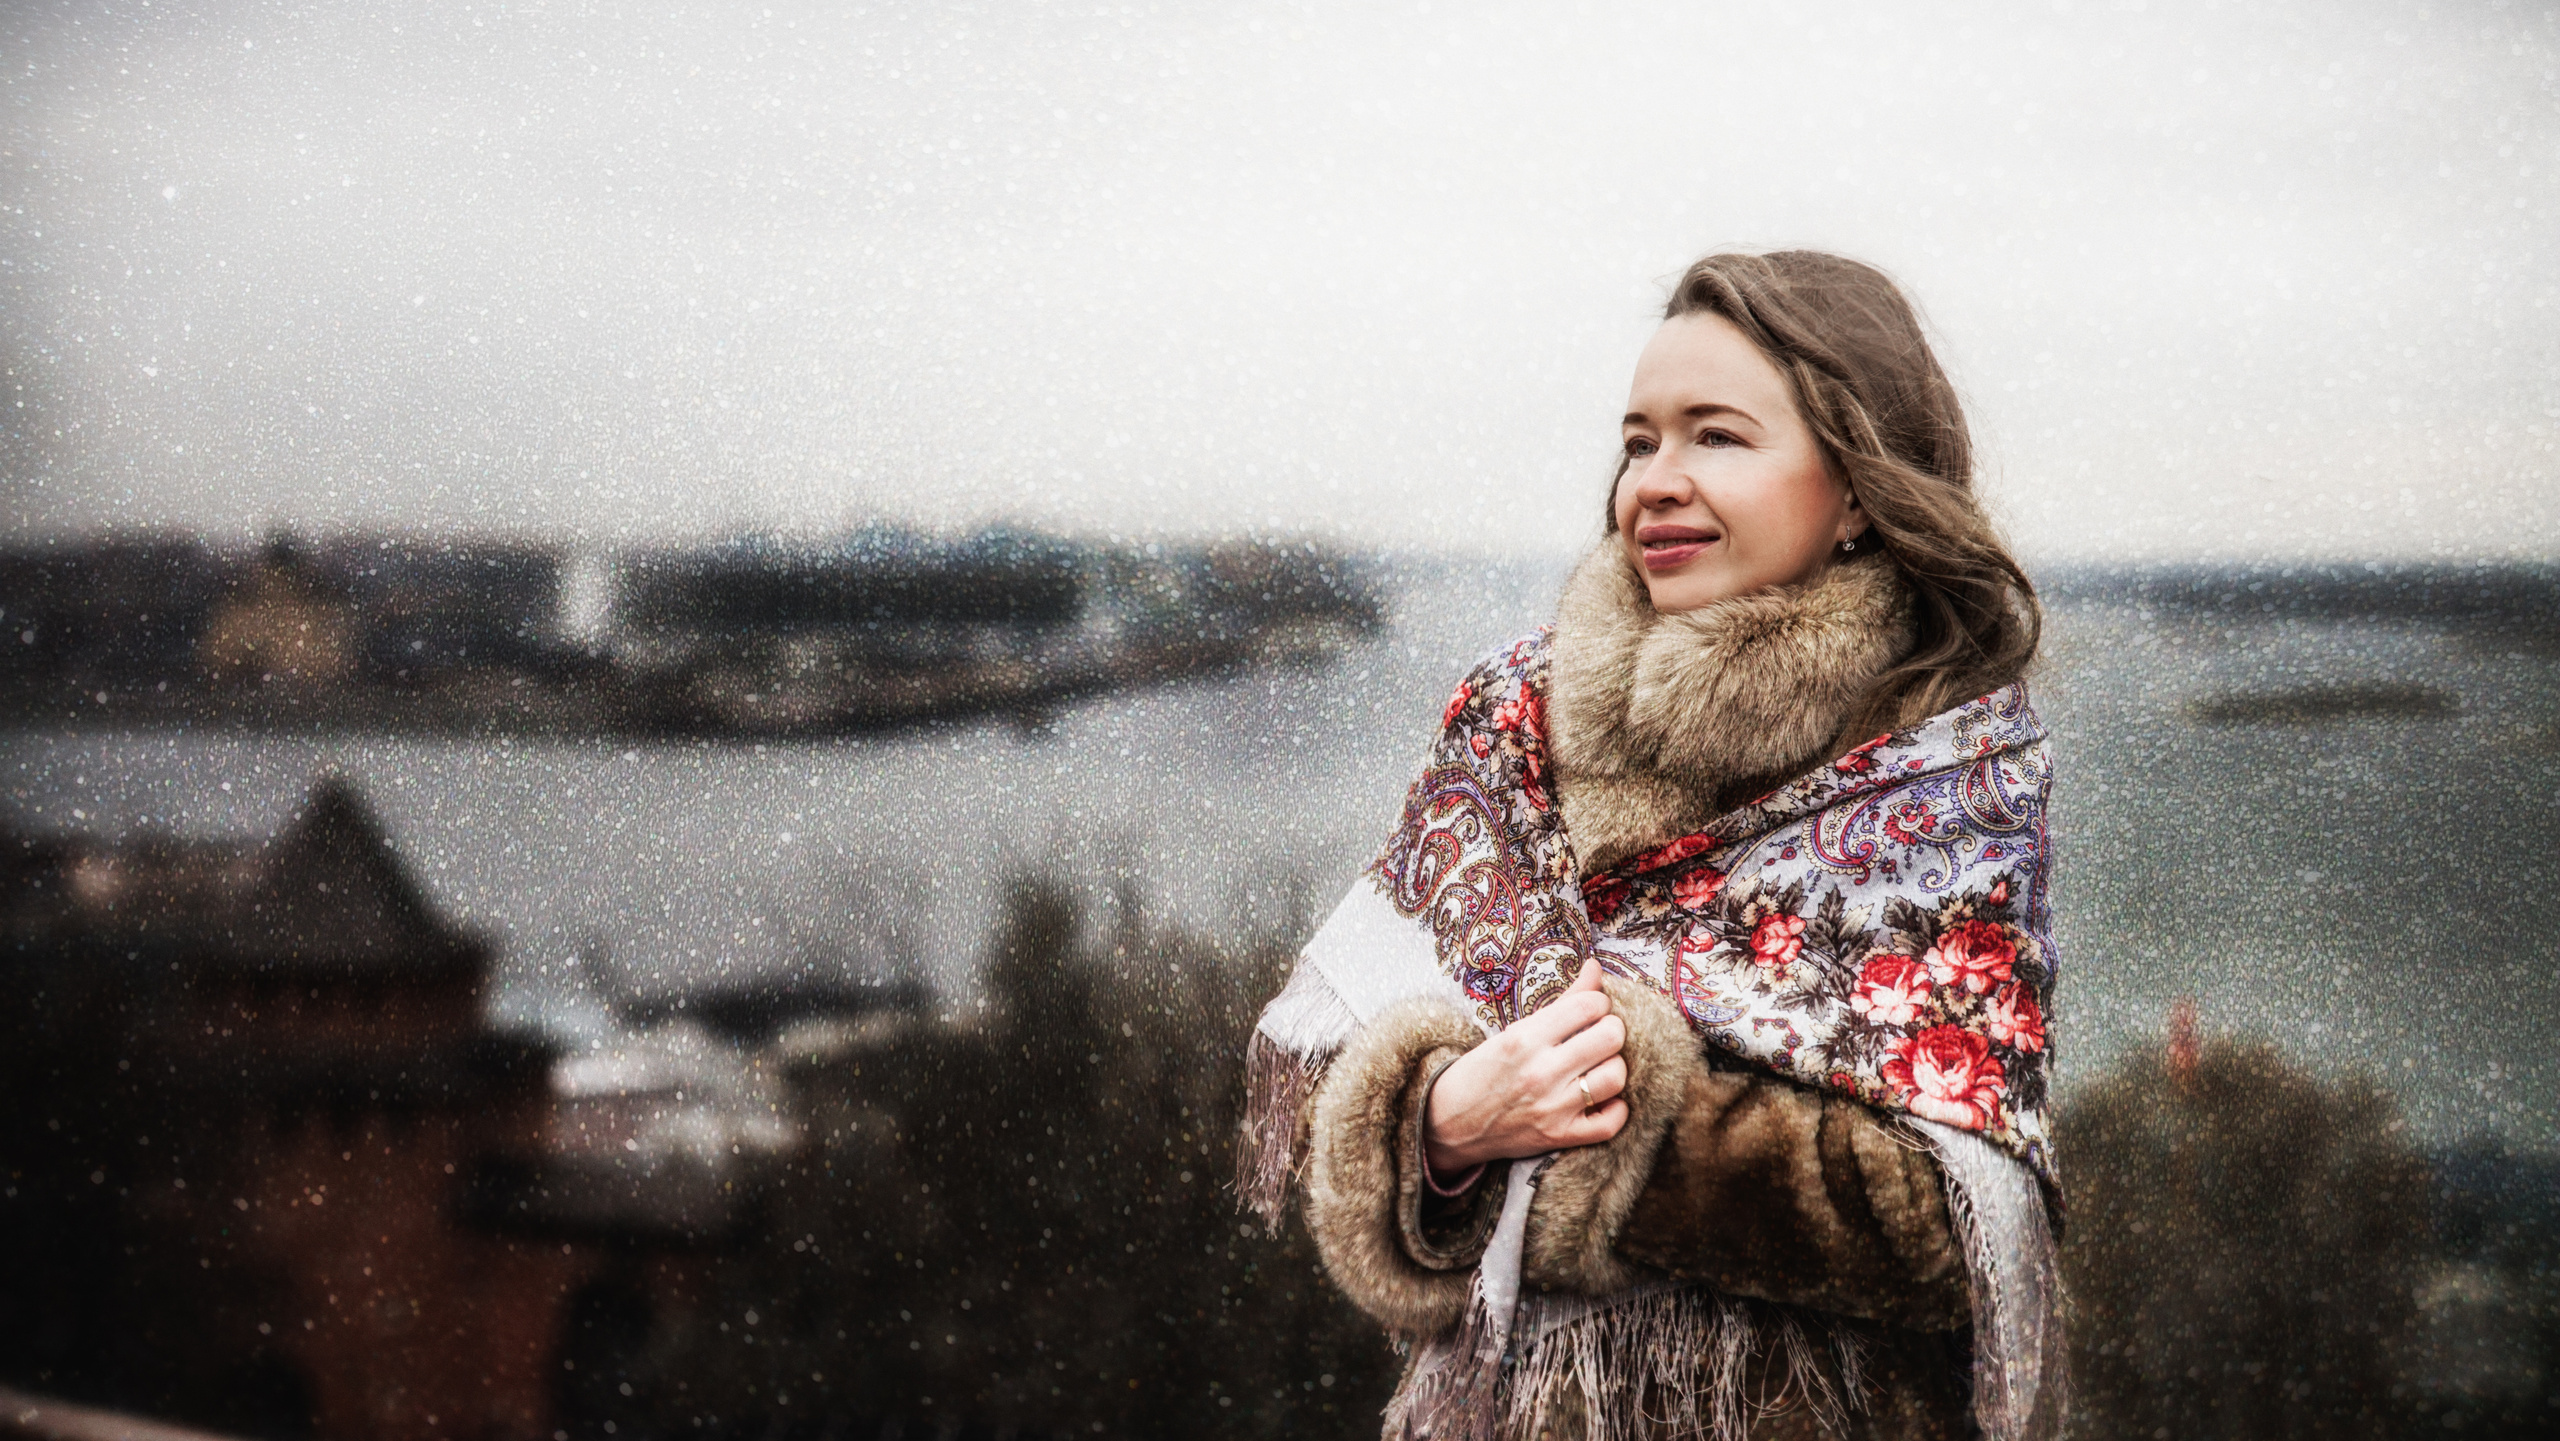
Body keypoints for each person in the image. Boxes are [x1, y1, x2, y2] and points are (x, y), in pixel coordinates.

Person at [1238, 251, 2066, 1441]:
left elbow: (1953, 1231)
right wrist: (1442, 1122)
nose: (1654, 483)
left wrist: (1610, 1121)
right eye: (1639, 441)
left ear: (1854, 492)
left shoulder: (1942, 761)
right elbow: (1334, 1084)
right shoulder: (1514, 723)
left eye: (1715, 437)